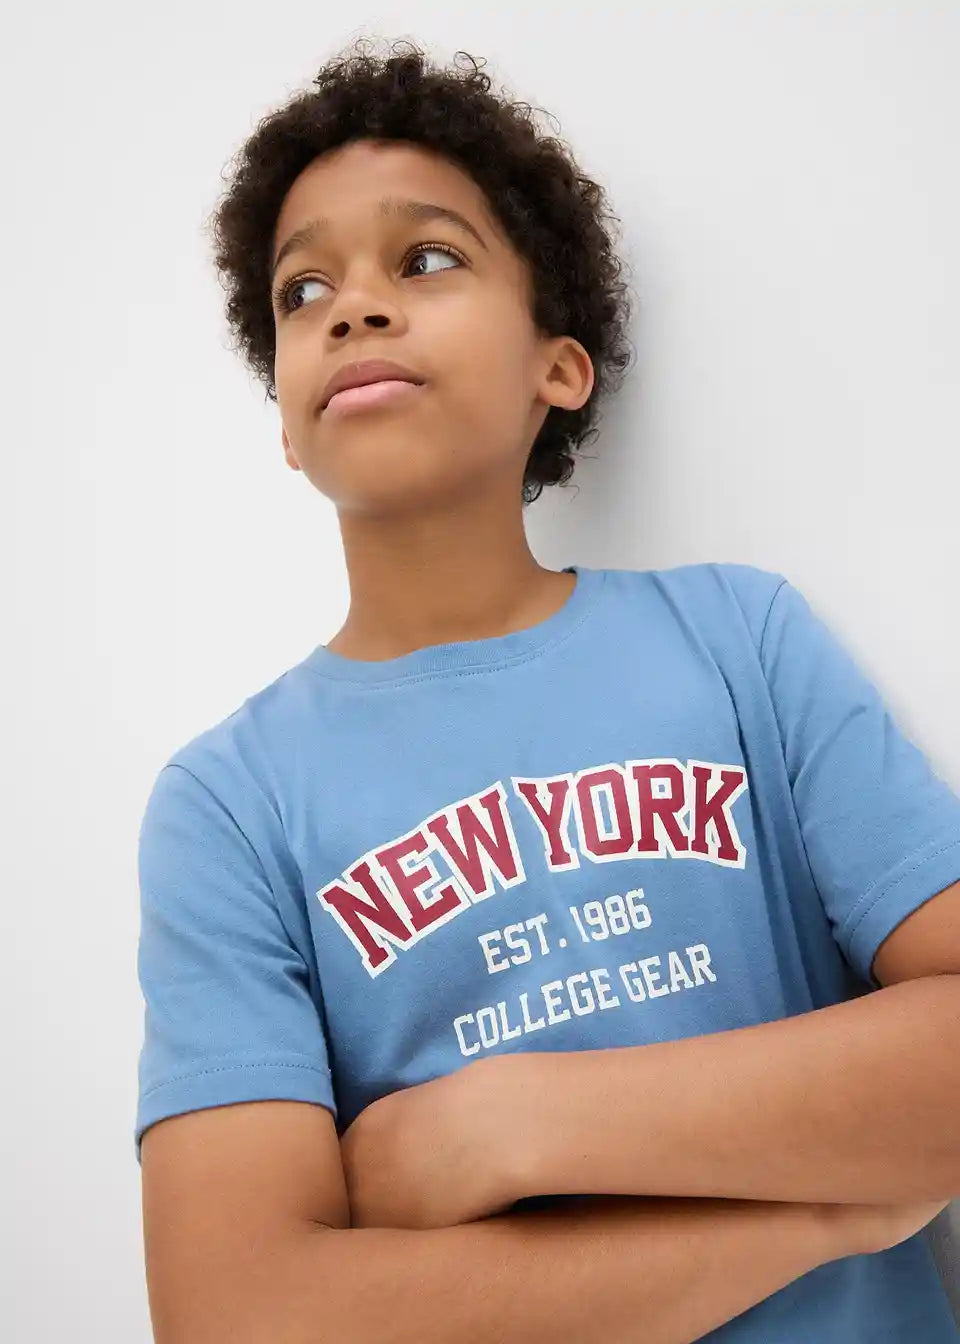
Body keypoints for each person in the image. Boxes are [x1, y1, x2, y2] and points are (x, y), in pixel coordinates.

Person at [134, 36, 960, 1343]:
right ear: (288, 427)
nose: (353, 307)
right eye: (304, 289)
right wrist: (825, 1213)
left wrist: (508, 1124)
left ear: (556, 368)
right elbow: (239, 1311)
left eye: (427, 258)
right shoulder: (229, 806)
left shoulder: (737, 639)